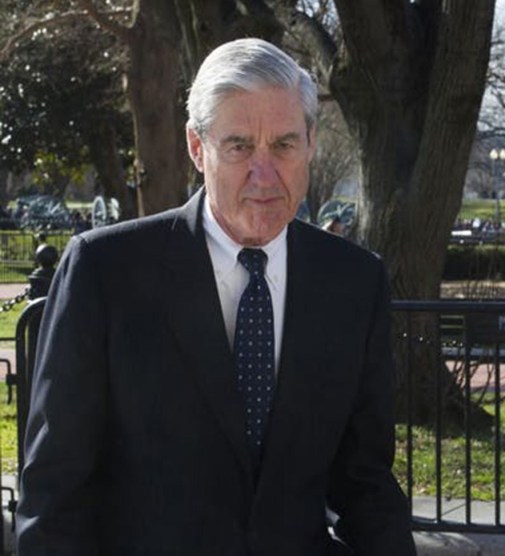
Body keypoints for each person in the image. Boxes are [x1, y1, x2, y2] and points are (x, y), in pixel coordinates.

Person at [16, 38, 416, 555]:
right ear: (196, 146)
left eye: (284, 145)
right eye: (239, 146)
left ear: (311, 142)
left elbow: (366, 483)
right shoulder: (105, 271)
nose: (264, 174)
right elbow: (54, 492)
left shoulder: (354, 282)